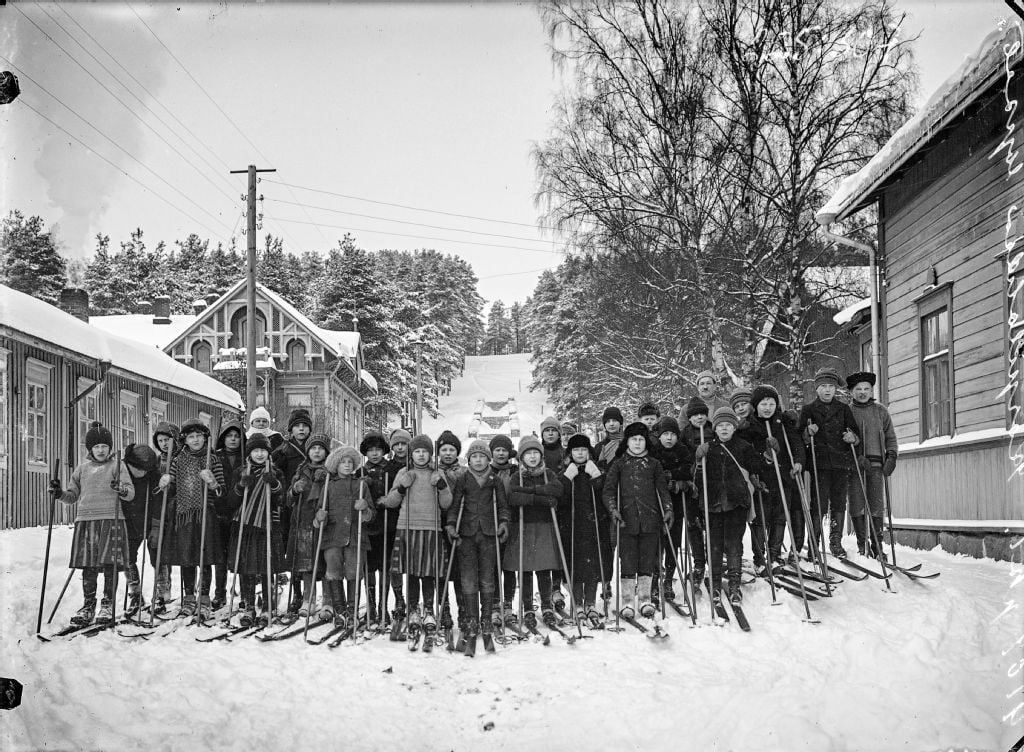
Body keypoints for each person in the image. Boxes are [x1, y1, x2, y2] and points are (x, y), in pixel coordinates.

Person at [51, 422, 134, 626]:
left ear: (110, 447)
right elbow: (72, 496)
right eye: (96, 446)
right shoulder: (82, 469)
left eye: (104, 446)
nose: (100, 450)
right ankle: (88, 605)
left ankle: (107, 604)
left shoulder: (117, 465)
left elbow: (130, 493)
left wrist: (121, 488)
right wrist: (59, 493)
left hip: (111, 519)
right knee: (88, 564)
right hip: (86, 520)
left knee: (109, 563)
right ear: (90, 449)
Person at [382, 434, 452, 635]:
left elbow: (446, 503)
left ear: (430, 453)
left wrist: (442, 486)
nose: (421, 455)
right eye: (417, 451)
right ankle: (413, 608)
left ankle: (429, 608)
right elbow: (391, 502)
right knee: (412, 570)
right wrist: (402, 487)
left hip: (431, 526)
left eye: (425, 451)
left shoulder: (437, 473)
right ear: (411, 454)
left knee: (428, 570)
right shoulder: (405, 472)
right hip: (408, 525)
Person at [603, 422, 672, 620]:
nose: (638, 443)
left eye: (641, 440)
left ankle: (644, 599)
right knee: (628, 561)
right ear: (627, 442)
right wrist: (613, 510)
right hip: (626, 521)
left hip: (651, 519)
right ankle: (626, 601)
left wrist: (668, 509)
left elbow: (662, 491)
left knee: (647, 560)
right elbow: (608, 491)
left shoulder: (654, 464)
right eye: (634, 439)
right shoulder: (619, 464)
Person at [447, 440, 510, 655]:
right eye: (474, 456)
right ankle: (472, 619)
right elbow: (455, 505)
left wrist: (503, 522)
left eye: (482, 456)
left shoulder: (495, 480)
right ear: (469, 459)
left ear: (488, 458)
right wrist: (450, 525)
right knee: (468, 578)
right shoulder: (462, 479)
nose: (478, 460)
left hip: (489, 534)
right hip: (466, 534)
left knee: (487, 577)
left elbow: (502, 505)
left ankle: (486, 620)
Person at [694, 407, 762, 605]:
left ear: (734, 427)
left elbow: (757, 468)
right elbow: (698, 481)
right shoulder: (708, 448)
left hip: (736, 503)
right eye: (720, 425)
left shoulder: (744, 447)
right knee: (714, 546)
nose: (724, 429)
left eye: (729, 425)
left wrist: (767, 455)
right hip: (713, 504)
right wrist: (698, 461)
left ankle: (734, 585)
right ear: (715, 428)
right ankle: (715, 584)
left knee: (734, 545)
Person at [158, 418, 225, 619]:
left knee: (205, 558)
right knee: (187, 558)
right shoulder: (178, 460)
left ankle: (204, 598)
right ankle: (188, 598)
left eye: (199, 436)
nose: (195, 440)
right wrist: (166, 482)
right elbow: (171, 490)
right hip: (184, 516)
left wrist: (212, 483)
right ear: (185, 440)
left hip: (206, 513)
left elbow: (222, 490)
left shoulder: (212, 459)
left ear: (205, 438)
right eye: (191, 436)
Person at [739, 385, 804, 572]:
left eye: (771, 403)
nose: (767, 407)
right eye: (763, 404)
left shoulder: (783, 423)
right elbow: (745, 454)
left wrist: (798, 462)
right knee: (761, 519)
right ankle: (760, 559)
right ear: (755, 406)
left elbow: (797, 444)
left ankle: (774, 556)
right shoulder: (748, 427)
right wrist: (764, 457)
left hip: (783, 477)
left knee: (779, 517)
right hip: (761, 480)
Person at [798, 367, 861, 558]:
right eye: (823, 386)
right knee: (819, 503)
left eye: (831, 387)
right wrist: (808, 434)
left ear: (836, 389)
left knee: (839, 503)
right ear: (816, 389)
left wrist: (853, 438)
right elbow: (798, 439)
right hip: (819, 464)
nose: (827, 390)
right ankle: (814, 543)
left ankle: (835, 541)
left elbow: (855, 435)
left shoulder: (843, 409)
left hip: (841, 463)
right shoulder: (808, 410)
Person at [503, 435, 564, 629]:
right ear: (521, 458)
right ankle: (528, 607)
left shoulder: (548, 474)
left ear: (541, 456)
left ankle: (546, 606)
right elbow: (513, 497)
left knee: (544, 569)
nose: (532, 457)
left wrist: (530, 492)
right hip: (524, 526)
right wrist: (540, 498)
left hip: (544, 526)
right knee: (526, 570)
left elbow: (557, 489)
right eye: (528, 454)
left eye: (535, 453)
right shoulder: (517, 476)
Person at [228, 433, 285, 626]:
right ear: (250, 452)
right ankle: (250, 607)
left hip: (267, 525)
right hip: (244, 525)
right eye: (255, 450)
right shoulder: (241, 472)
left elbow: (282, 500)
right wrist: (240, 486)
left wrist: (275, 484)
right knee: (247, 567)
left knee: (266, 567)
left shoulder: (275, 472)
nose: (259, 454)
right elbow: (230, 502)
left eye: (263, 450)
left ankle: (268, 607)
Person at [315, 446, 374, 627]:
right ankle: (339, 610)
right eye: (343, 462)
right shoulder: (328, 486)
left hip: (356, 538)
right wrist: (320, 516)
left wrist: (365, 507)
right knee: (333, 571)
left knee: (353, 572)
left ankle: (352, 611)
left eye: (350, 462)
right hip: (332, 536)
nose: (347, 466)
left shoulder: (360, 485)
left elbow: (371, 515)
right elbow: (318, 514)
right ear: (336, 464)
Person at [558, 433, 609, 622]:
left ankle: (590, 603)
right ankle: (577, 602)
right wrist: (566, 477)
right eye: (576, 450)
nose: (580, 453)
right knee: (575, 565)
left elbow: (604, 494)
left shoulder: (596, 470)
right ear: (570, 453)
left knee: (592, 565)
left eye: (583, 449)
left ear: (589, 452)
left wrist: (596, 476)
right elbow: (559, 498)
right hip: (571, 526)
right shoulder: (564, 471)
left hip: (592, 524)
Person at [846, 372, 898, 557]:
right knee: (857, 503)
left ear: (871, 390)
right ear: (852, 391)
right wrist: (857, 456)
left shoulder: (880, 411)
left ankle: (877, 544)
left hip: (877, 466)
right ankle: (862, 543)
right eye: (858, 389)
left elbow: (890, 436)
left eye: (866, 389)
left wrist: (891, 457)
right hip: (855, 466)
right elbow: (843, 439)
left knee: (876, 504)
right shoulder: (847, 411)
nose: (862, 392)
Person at [273, 408, 314, 613]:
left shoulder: (316, 448)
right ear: (291, 429)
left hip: (311, 504)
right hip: (289, 504)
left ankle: (310, 593)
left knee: (310, 548)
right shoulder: (283, 450)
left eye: (304, 426)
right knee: (293, 548)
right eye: (297, 426)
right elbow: (274, 473)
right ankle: (296, 592)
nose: (301, 429)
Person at [287, 433, 331, 617]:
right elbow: (288, 498)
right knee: (306, 562)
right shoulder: (300, 470)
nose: (317, 451)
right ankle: (308, 599)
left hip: (326, 521)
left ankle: (328, 601)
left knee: (326, 562)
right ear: (308, 451)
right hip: (303, 522)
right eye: (313, 448)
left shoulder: (332, 470)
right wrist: (295, 490)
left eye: (320, 448)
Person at [650, 416, 694, 598]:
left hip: (676, 502)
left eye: (673, 434)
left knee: (672, 542)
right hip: (656, 502)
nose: (669, 438)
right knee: (656, 543)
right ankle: (654, 579)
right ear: (659, 436)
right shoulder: (653, 452)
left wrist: (674, 479)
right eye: (665, 434)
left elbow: (688, 470)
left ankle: (668, 579)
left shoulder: (683, 451)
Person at [121, 443, 160, 616]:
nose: (143, 473)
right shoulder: (121, 473)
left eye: (146, 469)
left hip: (150, 521)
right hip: (129, 523)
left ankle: (161, 594)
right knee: (127, 558)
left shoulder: (153, 476)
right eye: (139, 469)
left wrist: (157, 526)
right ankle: (135, 593)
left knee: (158, 558)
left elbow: (160, 502)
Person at [436, 430, 466, 635]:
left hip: (461, 524)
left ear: (457, 451)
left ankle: (463, 610)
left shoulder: (464, 472)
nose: (448, 453)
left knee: (460, 568)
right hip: (438, 523)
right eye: (444, 449)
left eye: (451, 449)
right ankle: (444, 608)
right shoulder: (433, 471)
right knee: (441, 568)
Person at [359, 430, 390, 627]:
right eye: (370, 450)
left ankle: (383, 605)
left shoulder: (391, 469)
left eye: (378, 449)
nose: (375, 454)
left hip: (387, 525)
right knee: (369, 567)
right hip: (368, 527)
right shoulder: (360, 472)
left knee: (385, 567)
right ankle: (371, 604)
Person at [213, 420, 245, 609]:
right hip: (219, 511)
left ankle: (244, 593)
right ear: (223, 439)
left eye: (237, 436)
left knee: (241, 553)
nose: (233, 439)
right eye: (229, 436)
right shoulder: (216, 457)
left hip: (242, 511)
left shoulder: (247, 457)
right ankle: (219, 592)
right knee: (220, 555)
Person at [489, 434, 520, 626]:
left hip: (514, 522)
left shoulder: (516, 471)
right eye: (497, 450)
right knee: (493, 565)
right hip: (492, 522)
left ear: (510, 452)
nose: (501, 453)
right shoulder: (486, 469)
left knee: (509, 565)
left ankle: (508, 603)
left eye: (504, 450)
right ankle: (494, 604)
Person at [148, 422, 179, 614]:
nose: (164, 444)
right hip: (159, 511)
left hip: (177, 511)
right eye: (160, 441)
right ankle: (162, 591)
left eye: (167, 439)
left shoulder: (182, 458)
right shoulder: (156, 461)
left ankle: (190, 593)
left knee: (178, 550)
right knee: (156, 550)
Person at [595, 407, 625, 472]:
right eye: (608, 421)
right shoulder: (599, 447)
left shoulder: (630, 443)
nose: (611, 424)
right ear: (605, 425)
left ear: (620, 423)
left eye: (614, 420)